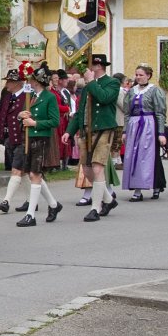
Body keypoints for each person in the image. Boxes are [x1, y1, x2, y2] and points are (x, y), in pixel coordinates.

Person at [62, 54, 120, 222]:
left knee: (97, 168)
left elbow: (104, 98)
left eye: (92, 65)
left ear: (99, 66)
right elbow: (80, 111)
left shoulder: (112, 83)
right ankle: (108, 199)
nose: (88, 68)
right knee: (87, 170)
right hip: (86, 131)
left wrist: (91, 82)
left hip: (103, 129)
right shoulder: (88, 86)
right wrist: (69, 131)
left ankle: (96, 207)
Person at [12, 63, 63, 226]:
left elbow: (54, 121)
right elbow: (25, 114)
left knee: (35, 174)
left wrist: (35, 123)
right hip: (29, 138)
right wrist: (21, 115)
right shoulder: (31, 95)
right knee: (32, 174)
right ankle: (54, 205)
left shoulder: (50, 97)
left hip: (42, 138)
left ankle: (30, 214)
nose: (29, 81)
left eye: (32, 78)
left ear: (38, 80)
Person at [122, 65, 167, 201]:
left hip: (149, 125)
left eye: (141, 75)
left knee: (149, 157)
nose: (138, 77)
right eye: (136, 75)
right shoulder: (131, 91)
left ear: (148, 76)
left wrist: (161, 133)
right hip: (134, 126)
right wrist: (125, 130)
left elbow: (160, 113)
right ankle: (137, 190)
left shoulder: (154, 90)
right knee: (132, 156)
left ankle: (156, 185)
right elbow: (127, 113)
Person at [0, 68, 30, 210]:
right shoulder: (7, 96)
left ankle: (6, 201)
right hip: (10, 138)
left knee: (16, 169)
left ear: (17, 83)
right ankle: (33, 200)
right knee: (24, 172)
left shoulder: (27, 97)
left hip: (23, 138)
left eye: (10, 81)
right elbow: (2, 117)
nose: (7, 84)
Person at [111, 73, 128, 170]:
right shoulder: (119, 91)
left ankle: (118, 160)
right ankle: (115, 161)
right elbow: (123, 105)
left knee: (118, 141)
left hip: (119, 118)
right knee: (117, 141)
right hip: (119, 119)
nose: (126, 82)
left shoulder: (120, 90)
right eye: (125, 80)